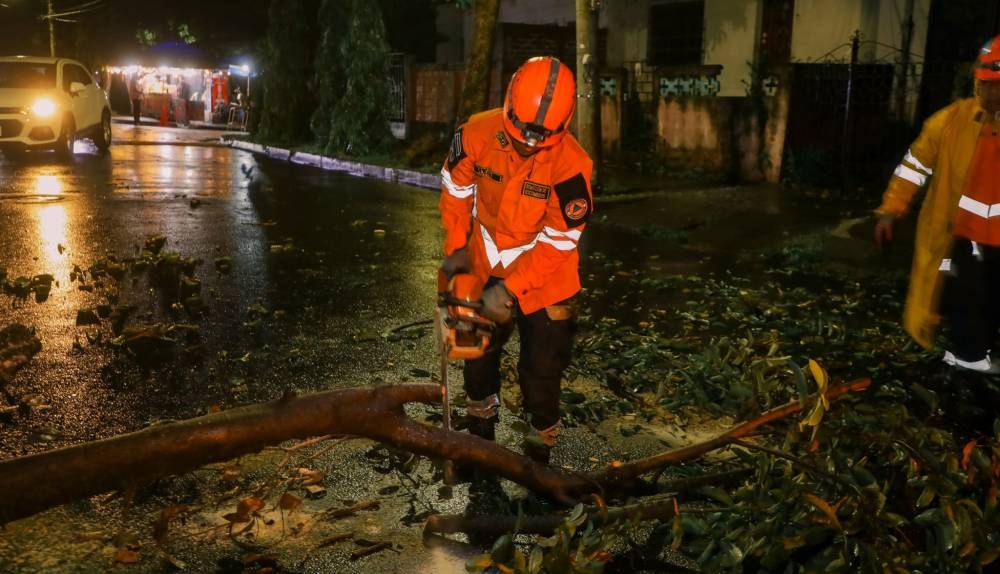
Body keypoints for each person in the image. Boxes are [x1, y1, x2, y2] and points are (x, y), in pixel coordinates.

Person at [438, 56, 594, 464]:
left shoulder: (571, 168)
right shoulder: (475, 133)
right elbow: (456, 191)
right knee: (474, 351)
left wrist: (510, 289)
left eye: (538, 136)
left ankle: (538, 456)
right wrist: (455, 252)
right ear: (507, 104)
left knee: (541, 370)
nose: (527, 141)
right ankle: (480, 440)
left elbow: (560, 242)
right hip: (483, 259)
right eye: (521, 130)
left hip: (546, 279)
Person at [874, 35, 1000, 377]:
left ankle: (974, 357)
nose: (990, 93)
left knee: (986, 305)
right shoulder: (952, 122)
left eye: (997, 85)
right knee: (968, 303)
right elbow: (914, 165)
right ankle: (965, 365)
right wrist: (891, 209)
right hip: (964, 237)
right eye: (984, 84)